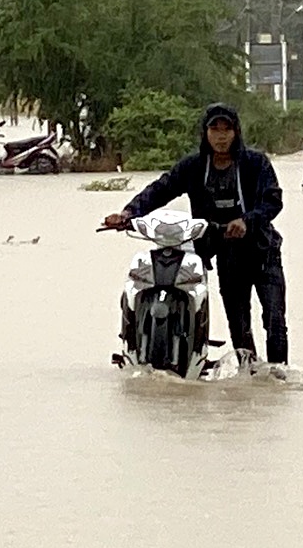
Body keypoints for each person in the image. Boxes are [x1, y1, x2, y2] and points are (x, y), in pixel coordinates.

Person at [103, 103, 288, 369]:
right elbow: (162, 188)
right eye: (215, 129)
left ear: (236, 132)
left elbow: (273, 201)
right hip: (226, 253)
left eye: (227, 129)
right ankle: (249, 373)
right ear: (205, 133)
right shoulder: (194, 166)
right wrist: (128, 213)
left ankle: (278, 377)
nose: (221, 136)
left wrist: (247, 221)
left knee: (274, 319)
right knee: (238, 323)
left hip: (262, 250)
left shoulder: (256, 163)